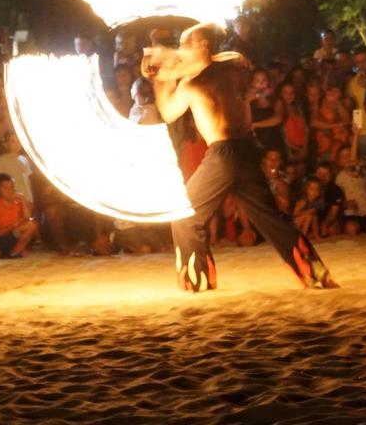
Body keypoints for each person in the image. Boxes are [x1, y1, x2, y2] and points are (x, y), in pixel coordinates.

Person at [143, 23, 335, 291]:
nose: (181, 50)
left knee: (184, 215)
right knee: (270, 218)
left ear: (202, 45)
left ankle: (197, 279)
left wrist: (159, 77)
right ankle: (314, 272)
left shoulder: (193, 82)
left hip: (223, 154)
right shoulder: (234, 71)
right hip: (247, 151)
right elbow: (231, 59)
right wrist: (172, 65)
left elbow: (168, 112)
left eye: (186, 44)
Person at [0, 174, 37, 260]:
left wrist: (23, 200)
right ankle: (3, 253)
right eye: (6, 188)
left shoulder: (18, 202)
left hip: (12, 236)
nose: (10, 190)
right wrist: (15, 224)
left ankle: (15, 253)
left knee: (31, 225)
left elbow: (28, 218)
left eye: (12, 187)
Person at [334, 126, 366, 236]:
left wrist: (356, 136)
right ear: (339, 162)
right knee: (351, 228)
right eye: (344, 157)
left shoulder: (363, 171)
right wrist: (345, 204)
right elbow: (337, 200)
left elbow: (353, 162)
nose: (348, 159)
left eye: (349, 155)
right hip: (351, 214)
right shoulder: (339, 178)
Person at [346, 47, 366, 161]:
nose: (361, 65)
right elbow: (354, 107)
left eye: (364, 61)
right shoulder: (352, 83)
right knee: (364, 162)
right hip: (362, 130)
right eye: (358, 62)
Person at [0, 131, 34, 209]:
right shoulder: (3, 159)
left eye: (19, 141)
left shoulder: (24, 159)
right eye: (13, 141)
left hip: (24, 196)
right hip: (9, 196)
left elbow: (27, 180)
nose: (17, 144)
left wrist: (30, 198)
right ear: (6, 144)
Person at [314, 162, 344, 237]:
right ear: (315, 174)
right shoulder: (309, 187)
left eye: (326, 174)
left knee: (331, 230)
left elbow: (334, 212)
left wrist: (325, 223)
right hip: (313, 219)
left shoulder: (334, 189)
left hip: (329, 219)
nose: (323, 177)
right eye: (320, 173)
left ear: (331, 175)